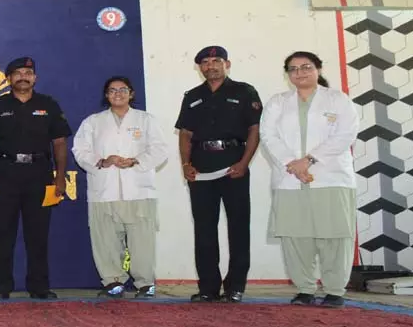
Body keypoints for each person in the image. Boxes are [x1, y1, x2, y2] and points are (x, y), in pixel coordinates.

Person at [260, 52, 359, 308]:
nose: (300, 73)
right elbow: (268, 136)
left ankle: (335, 290)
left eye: (306, 67)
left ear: (318, 69)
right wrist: (293, 164)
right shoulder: (278, 102)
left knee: (334, 235)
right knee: (295, 236)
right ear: (287, 74)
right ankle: (305, 288)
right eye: (293, 69)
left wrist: (309, 160)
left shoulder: (337, 100)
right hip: (290, 177)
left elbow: (345, 135)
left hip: (331, 176)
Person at [0, 56, 72, 300]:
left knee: (38, 234)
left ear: (35, 78)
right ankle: (1, 286)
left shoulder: (48, 104)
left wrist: (60, 177)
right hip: (4, 173)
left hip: (39, 174)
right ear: (8, 78)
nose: (23, 77)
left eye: (28, 73)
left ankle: (39, 286)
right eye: (17, 73)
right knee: (2, 234)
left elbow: (59, 142)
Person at [175, 45, 261, 304]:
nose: (210, 66)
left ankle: (235, 287)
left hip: (233, 165)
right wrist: (185, 164)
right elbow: (185, 134)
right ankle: (208, 288)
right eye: (205, 62)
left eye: (216, 61)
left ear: (227, 64)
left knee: (238, 228)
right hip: (200, 168)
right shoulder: (192, 96)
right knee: (203, 229)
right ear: (199, 67)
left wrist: (244, 163)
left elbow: (254, 131)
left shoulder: (244, 92)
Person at [72, 76, 170, 299]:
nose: (118, 94)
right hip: (104, 190)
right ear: (106, 95)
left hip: (138, 189)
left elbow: (159, 149)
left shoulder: (146, 120)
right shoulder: (93, 122)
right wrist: (102, 161)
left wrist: (135, 161)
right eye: (112, 90)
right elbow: (80, 150)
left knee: (142, 239)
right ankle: (112, 281)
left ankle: (144, 283)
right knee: (105, 238)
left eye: (123, 89)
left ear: (131, 94)